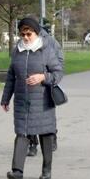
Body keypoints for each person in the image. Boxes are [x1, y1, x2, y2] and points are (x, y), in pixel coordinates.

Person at [1, 17, 63, 179]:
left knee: (45, 134)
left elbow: (58, 73)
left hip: (42, 100)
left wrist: (43, 77)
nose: (26, 37)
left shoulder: (46, 50)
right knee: (21, 133)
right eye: (23, 34)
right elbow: (11, 77)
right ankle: (17, 172)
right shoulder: (17, 51)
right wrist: (5, 98)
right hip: (22, 100)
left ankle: (46, 169)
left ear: (36, 33)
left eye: (29, 34)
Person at [27, 27, 64, 157]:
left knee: (47, 115)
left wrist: (49, 77)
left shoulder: (51, 42)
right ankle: (32, 143)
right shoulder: (25, 41)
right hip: (29, 84)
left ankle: (51, 136)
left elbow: (59, 63)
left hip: (46, 83)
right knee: (29, 115)